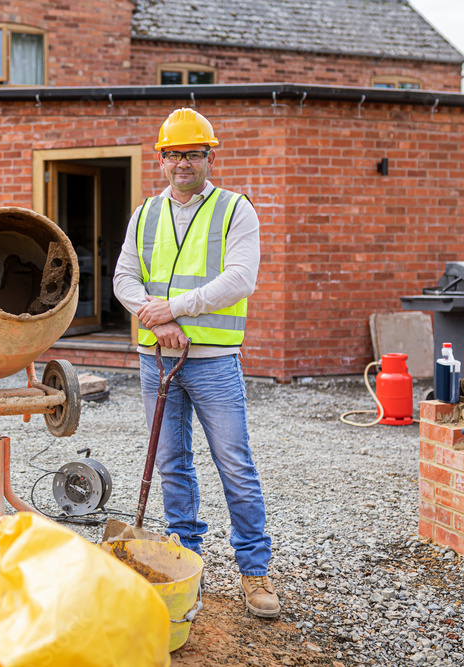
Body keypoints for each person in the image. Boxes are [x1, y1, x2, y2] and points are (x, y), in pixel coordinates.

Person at [113, 108, 278, 618]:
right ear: (161, 159)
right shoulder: (144, 214)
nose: (183, 162)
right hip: (155, 358)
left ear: (210, 155)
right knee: (171, 465)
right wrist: (157, 320)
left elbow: (241, 278)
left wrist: (176, 308)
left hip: (212, 361)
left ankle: (254, 572)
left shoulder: (235, 210)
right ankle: (185, 564)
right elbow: (124, 278)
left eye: (193, 152)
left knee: (235, 465)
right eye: (174, 153)